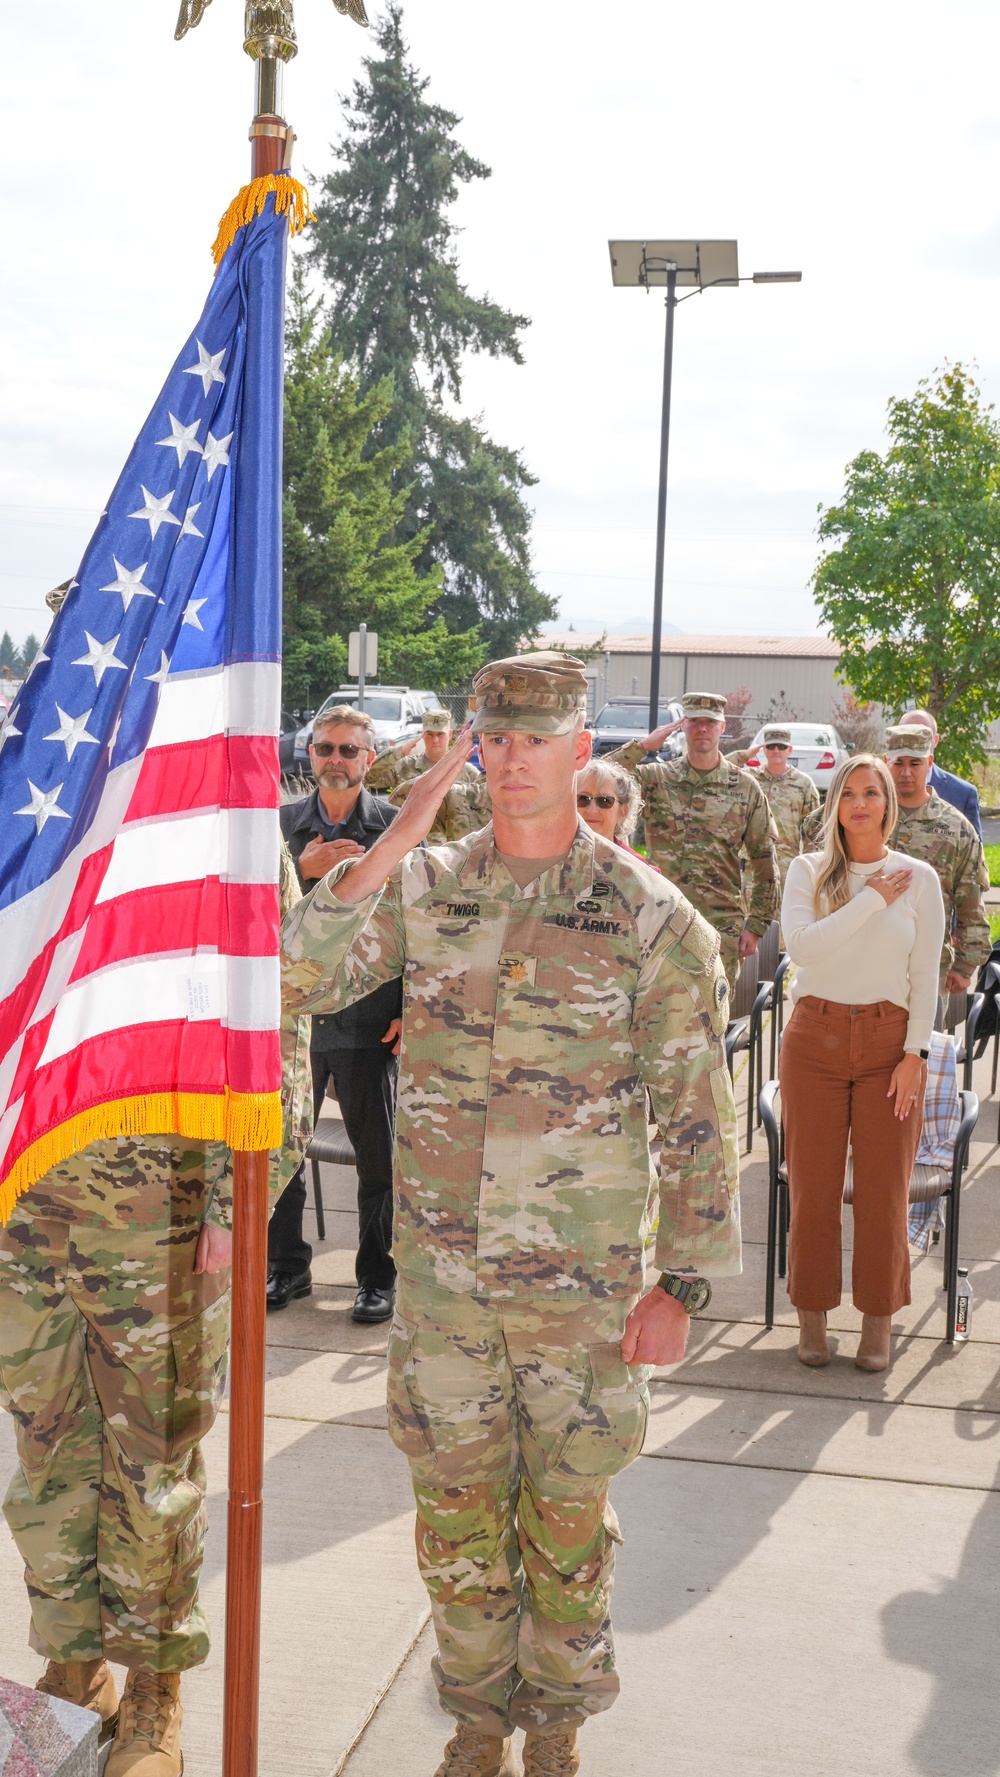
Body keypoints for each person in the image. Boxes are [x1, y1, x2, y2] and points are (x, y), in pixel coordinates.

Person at [281, 650, 741, 1777]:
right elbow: (298, 973)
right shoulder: (430, 884)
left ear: (582, 748)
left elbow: (695, 1112)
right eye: (493, 736)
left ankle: (556, 1733)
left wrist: (679, 1283)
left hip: (579, 1295)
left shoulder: (648, 915)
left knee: (568, 1521)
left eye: (536, 737)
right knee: (454, 1523)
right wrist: (396, 838)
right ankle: (476, 1730)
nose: (512, 758)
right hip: (443, 1282)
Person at [0, 846, 310, 1777]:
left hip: (160, 1209)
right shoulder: (41, 785)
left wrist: (235, 1204)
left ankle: (153, 1685)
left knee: (152, 1456)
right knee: (46, 1443)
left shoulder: (222, 812)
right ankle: (72, 1658)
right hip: (27, 1194)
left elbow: (276, 1019)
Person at [779, 754, 945, 1376]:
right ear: (834, 804)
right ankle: (813, 1319)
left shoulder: (920, 877)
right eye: (847, 792)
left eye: (870, 792)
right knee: (813, 1190)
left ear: (887, 803)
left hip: (887, 1045)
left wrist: (916, 1052)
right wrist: (870, 899)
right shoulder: (808, 872)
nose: (859, 803)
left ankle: (879, 1324)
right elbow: (803, 948)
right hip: (814, 1042)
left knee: (884, 1195)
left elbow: (925, 974)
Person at [275, 705, 402, 1322]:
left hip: (365, 1013)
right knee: (281, 1152)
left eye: (349, 751)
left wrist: (412, 1008)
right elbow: (252, 911)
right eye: (325, 748)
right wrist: (303, 870)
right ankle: (286, 1268)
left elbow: (421, 922)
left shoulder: (396, 828)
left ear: (368, 760)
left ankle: (377, 1278)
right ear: (310, 755)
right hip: (293, 1021)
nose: (336, 760)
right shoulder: (277, 827)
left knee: (378, 1158)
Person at [609, 690, 779, 993]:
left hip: (719, 927)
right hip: (660, 922)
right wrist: (643, 747)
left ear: (722, 728)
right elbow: (598, 779)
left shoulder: (745, 788)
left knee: (713, 1022)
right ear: (682, 726)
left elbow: (765, 863)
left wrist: (756, 926)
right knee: (657, 1017)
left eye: (710, 723)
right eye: (695, 721)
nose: (703, 728)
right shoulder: (657, 779)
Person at [884, 725, 990, 996]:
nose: (905, 772)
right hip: (866, 961)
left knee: (922, 1038)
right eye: (898, 763)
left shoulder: (956, 828)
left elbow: (971, 902)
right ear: (886, 762)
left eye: (915, 763)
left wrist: (965, 966)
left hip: (929, 965)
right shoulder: (864, 815)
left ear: (929, 762)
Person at [368, 706, 491, 842]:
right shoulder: (405, 766)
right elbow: (369, 777)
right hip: (409, 848)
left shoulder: (468, 772)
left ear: (450, 734)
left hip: (452, 854)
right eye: (430, 734)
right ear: (423, 734)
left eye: (440, 735)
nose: (435, 740)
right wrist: (399, 752)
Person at [728, 725, 820, 889]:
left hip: (787, 864)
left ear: (789, 750)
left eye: (782, 746)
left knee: (785, 913)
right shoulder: (749, 778)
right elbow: (719, 771)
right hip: (752, 862)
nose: (776, 750)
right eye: (771, 746)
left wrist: (809, 865)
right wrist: (744, 755)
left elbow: (812, 830)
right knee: (751, 912)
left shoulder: (804, 784)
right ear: (763, 749)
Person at [902, 708, 983, 838]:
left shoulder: (963, 794)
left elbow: (973, 852)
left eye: (923, 734)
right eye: (907, 734)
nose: (914, 741)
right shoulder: (880, 788)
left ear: (935, 741)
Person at [574, 757, 654, 865]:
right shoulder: (547, 861)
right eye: (583, 798)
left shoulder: (642, 873)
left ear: (622, 812)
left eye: (604, 800)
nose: (592, 810)